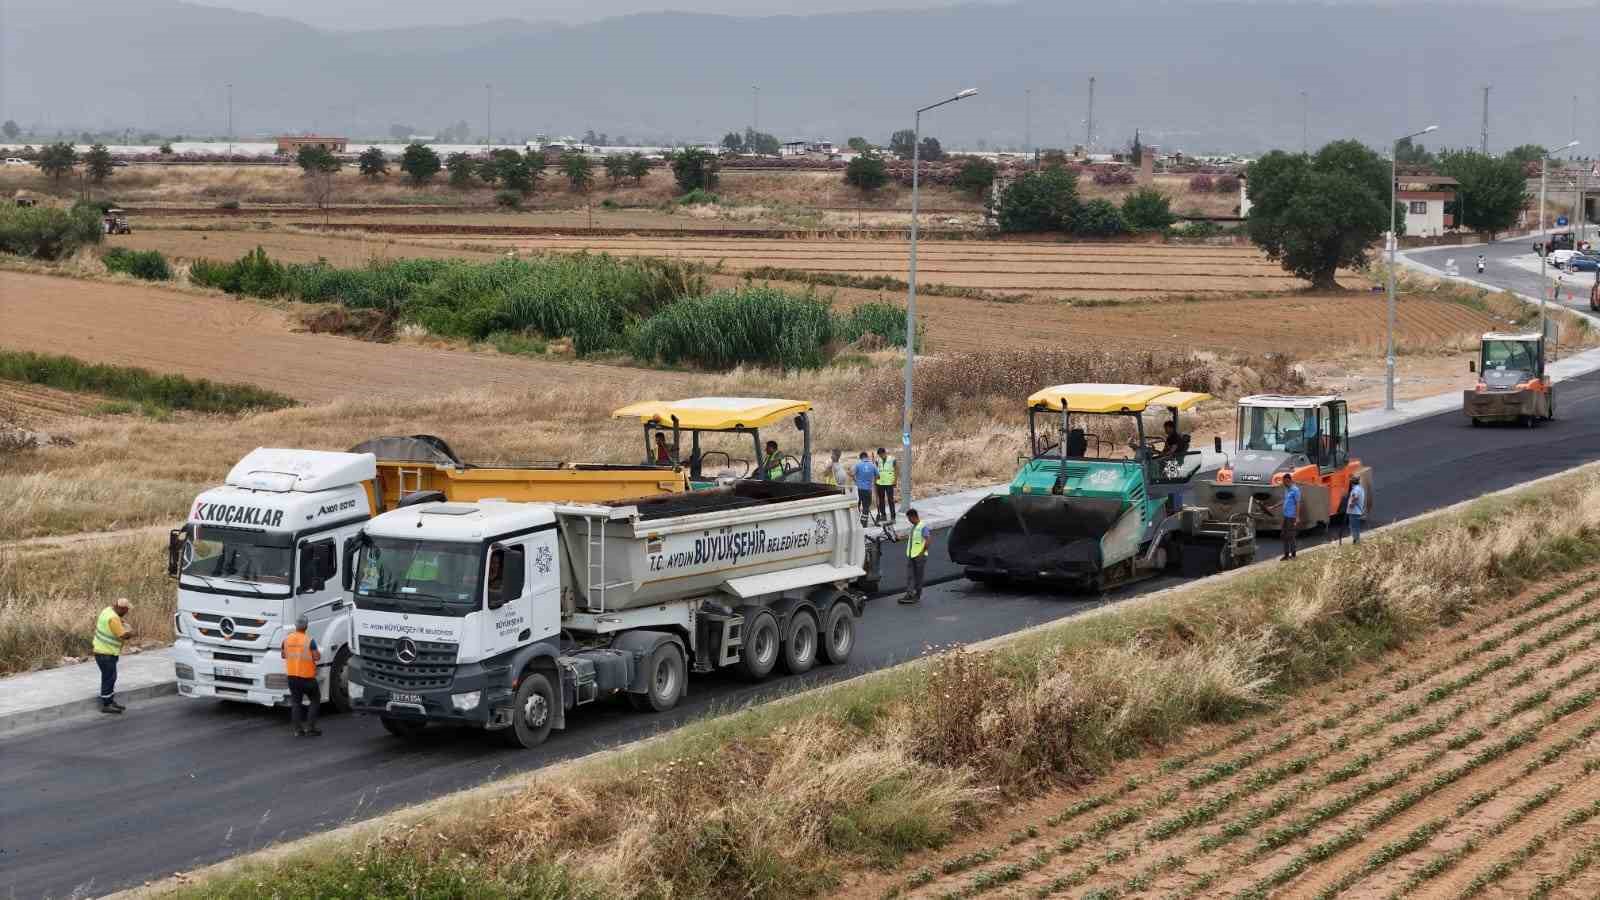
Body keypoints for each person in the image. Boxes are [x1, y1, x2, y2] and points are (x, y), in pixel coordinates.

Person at [281, 615, 323, 737]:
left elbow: (283, 655)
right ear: (306, 626)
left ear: (295, 626)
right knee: (315, 699)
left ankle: (297, 730)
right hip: (307, 677)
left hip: (292, 677)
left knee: (296, 702)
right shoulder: (309, 640)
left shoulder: (286, 640)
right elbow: (316, 657)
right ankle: (310, 728)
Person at [92, 597, 135, 714]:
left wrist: (122, 622)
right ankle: (106, 704)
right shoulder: (113, 619)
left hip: (100, 651)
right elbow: (122, 635)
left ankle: (110, 701)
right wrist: (131, 633)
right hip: (106, 653)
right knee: (109, 678)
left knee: (110, 676)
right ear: (121, 608)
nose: (127, 612)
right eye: (126, 610)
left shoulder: (107, 611)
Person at [901, 508, 929, 605]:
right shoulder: (914, 527)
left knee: (918, 576)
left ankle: (917, 594)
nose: (909, 520)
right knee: (910, 575)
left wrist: (922, 551)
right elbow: (912, 538)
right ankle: (909, 594)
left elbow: (928, 540)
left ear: (913, 517)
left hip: (919, 556)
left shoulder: (922, 527)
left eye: (909, 518)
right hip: (911, 555)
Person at [1275, 476, 1303, 560]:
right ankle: (1286, 555)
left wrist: (1297, 517)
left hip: (1292, 517)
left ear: (1288, 480)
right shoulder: (1287, 489)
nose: (1283, 483)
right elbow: (1285, 500)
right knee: (1284, 535)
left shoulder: (1295, 490)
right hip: (1286, 516)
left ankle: (1293, 555)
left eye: (1284, 482)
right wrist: (1274, 506)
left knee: (1291, 536)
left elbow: (1298, 503)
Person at [852, 451, 878, 526]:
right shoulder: (872, 465)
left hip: (858, 490)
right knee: (866, 507)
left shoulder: (858, 465)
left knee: (857, 506)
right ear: (867, 457)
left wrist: (856, 481)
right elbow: (878, 476)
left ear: (860, 458)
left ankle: (856, 522)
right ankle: (864, 523)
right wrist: (873, 481)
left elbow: (852, 474)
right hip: (868, 490)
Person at [874, 447, 898, 524]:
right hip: (880, 483)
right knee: (881, 500)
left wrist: (895, 480)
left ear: (884, 453)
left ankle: (893, 518)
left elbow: (897, 470)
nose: (880, 456)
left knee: (890, 500)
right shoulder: (878, 460)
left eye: (881, 455)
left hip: (889, 483)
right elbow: (876, 470)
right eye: (879, 455)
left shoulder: (892, 459)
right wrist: (875, 481)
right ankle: (883, 516)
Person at [1346, 476, 1366, 545]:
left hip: (1354, 512)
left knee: (1353, 527)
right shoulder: (1360, 488)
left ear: (1352, 483)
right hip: (1357, 512)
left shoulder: (1355, 490)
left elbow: (1355, 497)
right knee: (1355, 527)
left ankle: (1356, 541)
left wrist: (1351, 505)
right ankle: (1356, 540)